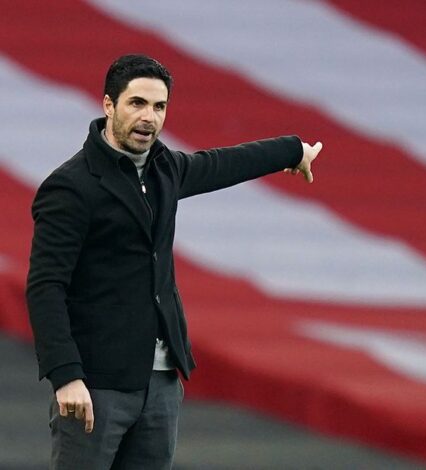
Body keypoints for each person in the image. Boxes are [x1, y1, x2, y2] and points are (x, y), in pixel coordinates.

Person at [26, 54, 323, 469]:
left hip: (161, 384)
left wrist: (292, 150)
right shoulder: (71, 187)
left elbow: (224, 164)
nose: (149, 117)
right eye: (137, 103)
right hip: (97, 386)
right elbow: (45, 286)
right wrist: (66, 375)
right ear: (108, 105)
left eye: (159, 106)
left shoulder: (165, 168)